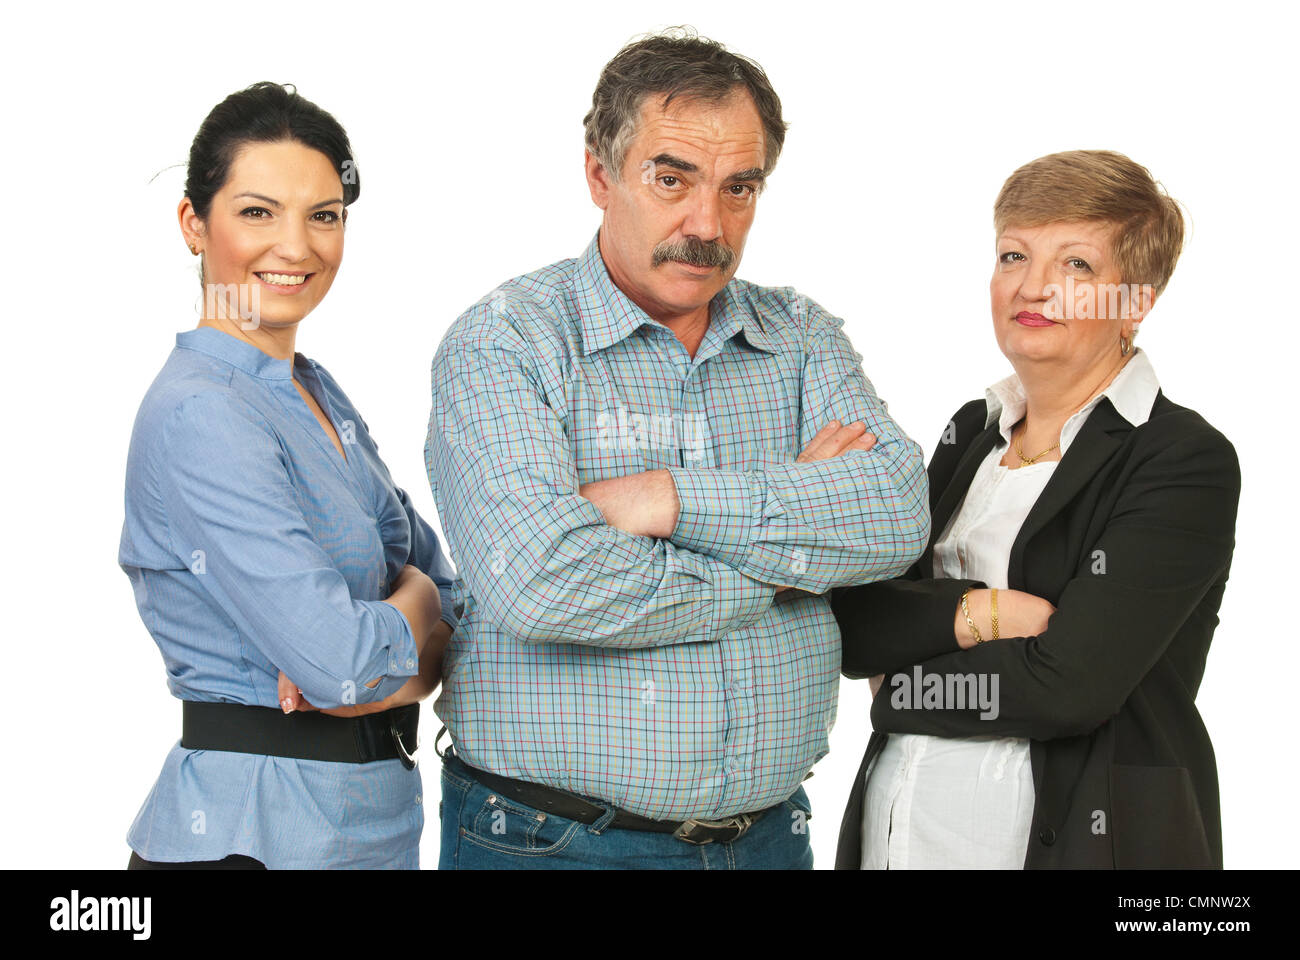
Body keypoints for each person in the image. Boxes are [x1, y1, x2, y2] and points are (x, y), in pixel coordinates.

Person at [424, 29, 930, 870]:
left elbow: (894, 511)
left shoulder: (800, 335)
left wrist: (668, 500)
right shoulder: (504, 342)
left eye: (740, 188)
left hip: (768, 840)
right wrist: (785, 556)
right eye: (672, 179)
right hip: (552, 844)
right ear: (599, 174)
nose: (708, 224)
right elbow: (543, 584)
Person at [830, 149, 1240, 869]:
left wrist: (898, 692)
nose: (1035, 286)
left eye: (1076, 265)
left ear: (1135, 301)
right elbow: (859, 627)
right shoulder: (969, 434)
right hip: (900, 836)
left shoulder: (1180, 458)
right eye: (1014, 255)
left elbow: (1067, 689)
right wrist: (982, 613)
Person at [120, 82, 457, 869]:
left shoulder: (315, 390)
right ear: (192, 225)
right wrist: (418, 606)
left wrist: (388, 655)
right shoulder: (202, 414)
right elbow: (345, 662)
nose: (297, 246)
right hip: (253, 838)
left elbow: (455, 614)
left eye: (325, 214)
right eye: (257, 211)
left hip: (365, 833)